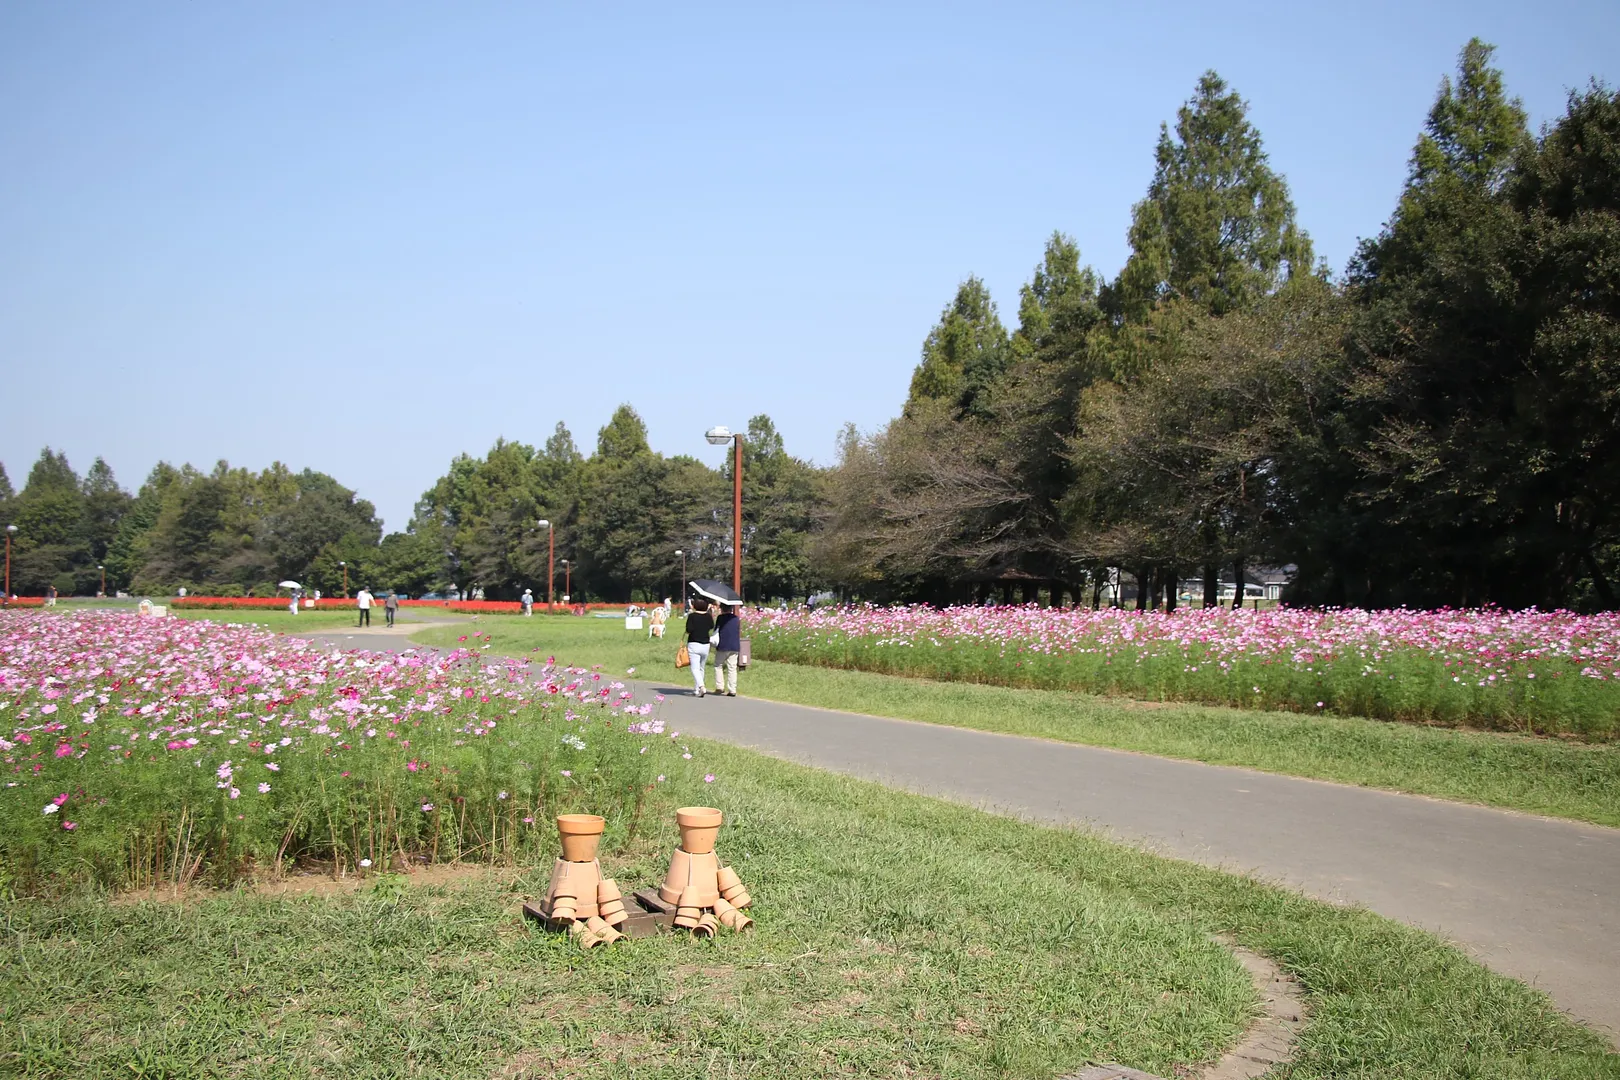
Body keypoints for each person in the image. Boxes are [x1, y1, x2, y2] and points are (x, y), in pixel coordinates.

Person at [685, 597, 714, 697]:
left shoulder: (692, 616)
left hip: (694, 643)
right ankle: (696, 689)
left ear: (695, 606)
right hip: (705, 644)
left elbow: (689, 629)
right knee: (701, 668)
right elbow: (711, 626)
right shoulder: (708, 616)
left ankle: (701, 686)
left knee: (695, 668)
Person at [713, 603, 742, 697]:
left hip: (723, 645)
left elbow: (716, 630)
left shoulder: (720, 618)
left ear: (722, 609)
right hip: (734, 646)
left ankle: (720, 686)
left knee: (718, 665)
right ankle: (732, 689)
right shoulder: (736, 619)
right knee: (732, 667)